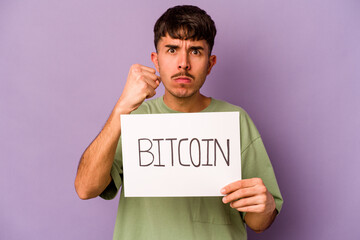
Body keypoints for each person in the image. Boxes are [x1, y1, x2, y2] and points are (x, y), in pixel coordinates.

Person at [75, 5, 283, 240]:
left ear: (210, 63)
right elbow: (85, 189)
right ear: (156, 60)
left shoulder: (235, 121)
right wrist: (121, 108)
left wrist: (264, 206)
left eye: (195, 51)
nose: (183, 63)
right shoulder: (132, 118)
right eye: (172, 49)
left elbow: (258, 223)